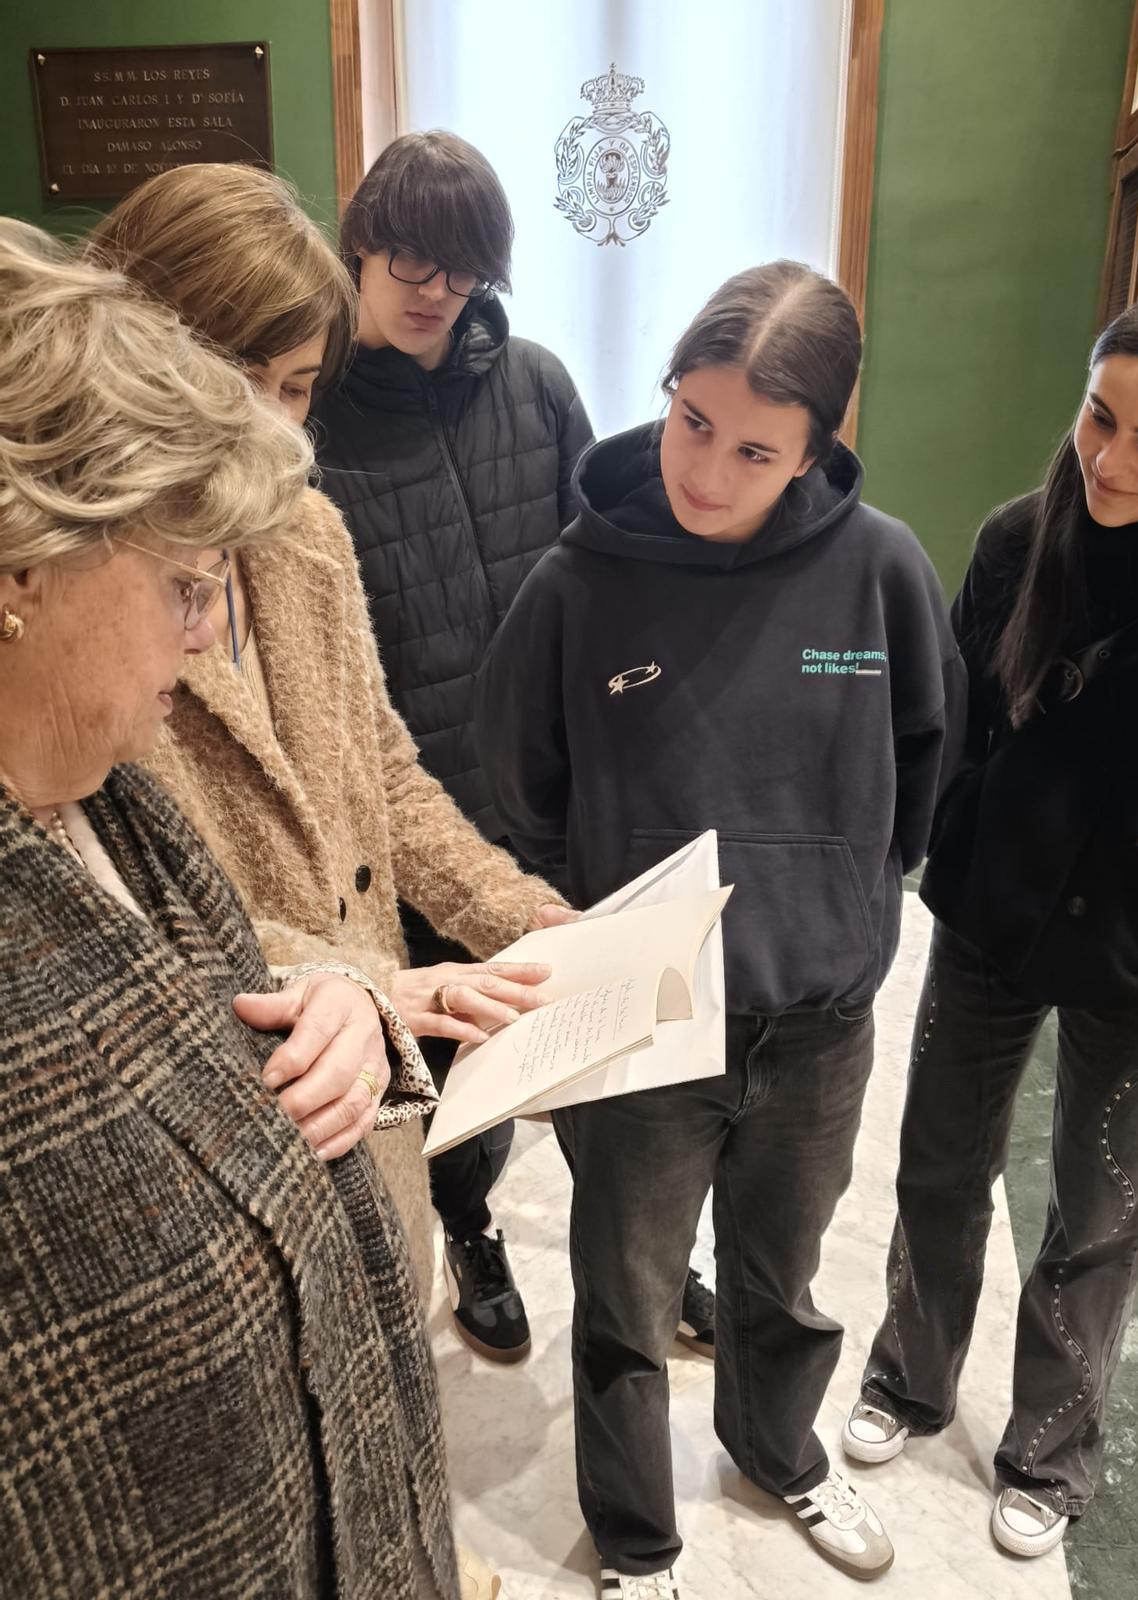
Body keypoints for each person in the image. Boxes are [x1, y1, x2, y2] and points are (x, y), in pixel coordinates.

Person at [476, 261, 964, 1596]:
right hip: (645, 1019)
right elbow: (520, 785)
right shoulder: (577, 583)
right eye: (693, 421)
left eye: (755, 449)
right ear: (668, 395)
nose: (707, 469)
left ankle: (778, 1449)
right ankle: (637, 1540)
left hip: (818, 1021)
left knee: (783, 1277)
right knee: (627, 1300)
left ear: (815, 448)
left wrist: (844, 903)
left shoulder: (880, 571)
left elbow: (925, 757)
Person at [0, 218, 458, 1597]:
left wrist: (344, 991)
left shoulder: (102, 796)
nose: (205, 630)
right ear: (22, 570)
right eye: (183, 585)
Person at [88, 164, 568, 1347]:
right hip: (234, 1118)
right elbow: (116, 912)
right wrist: (367, 987)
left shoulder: (303, 534)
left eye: (295, 387)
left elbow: (382, 775)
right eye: (232, 376)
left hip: (371, 1085)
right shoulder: (81, 597)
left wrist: (515, 913)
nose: (265, 420)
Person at [315, 130, 715, 1364]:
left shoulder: (534, 384)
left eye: (465, 266)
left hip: (555, 789)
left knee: (599, 1033)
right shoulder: (313, 411)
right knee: (459, 1047)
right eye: (411, 259)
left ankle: (648, 1247)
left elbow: (602, 571)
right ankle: (471, 1225)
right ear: (361, 246)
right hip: (414, 798)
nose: (437, 289)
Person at [843, 283, 1138, 1560]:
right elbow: (952, 727)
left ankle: (1051, 1449)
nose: (1109, 459)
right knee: (939, 1161)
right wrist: (946, 840)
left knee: (1102, 1209)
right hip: (994, 916)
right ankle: (909, 1377)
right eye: (1099, 416)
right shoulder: (1014, 540)